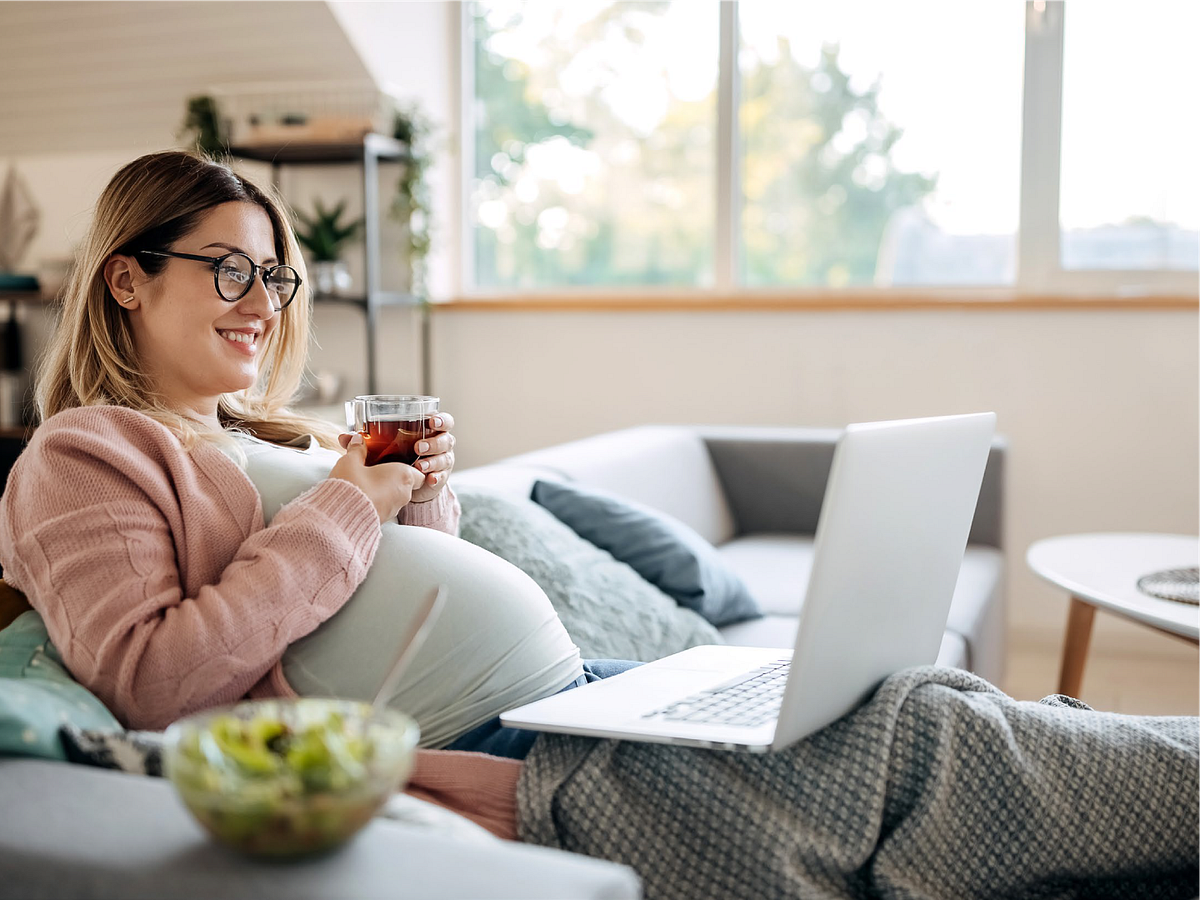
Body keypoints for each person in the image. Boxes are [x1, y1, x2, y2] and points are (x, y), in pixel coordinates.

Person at [1, 151, 1196, 898]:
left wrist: (419, 504)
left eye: (277, 277)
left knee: (926, 710)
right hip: (500, 755)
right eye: (229, 271)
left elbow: (390, 593)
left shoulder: (280, 435)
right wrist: (352, 504)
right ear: (125, 278)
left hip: (571, 693)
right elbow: (157, 679)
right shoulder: (86, 454)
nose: (263, 304)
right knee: (922, 750)